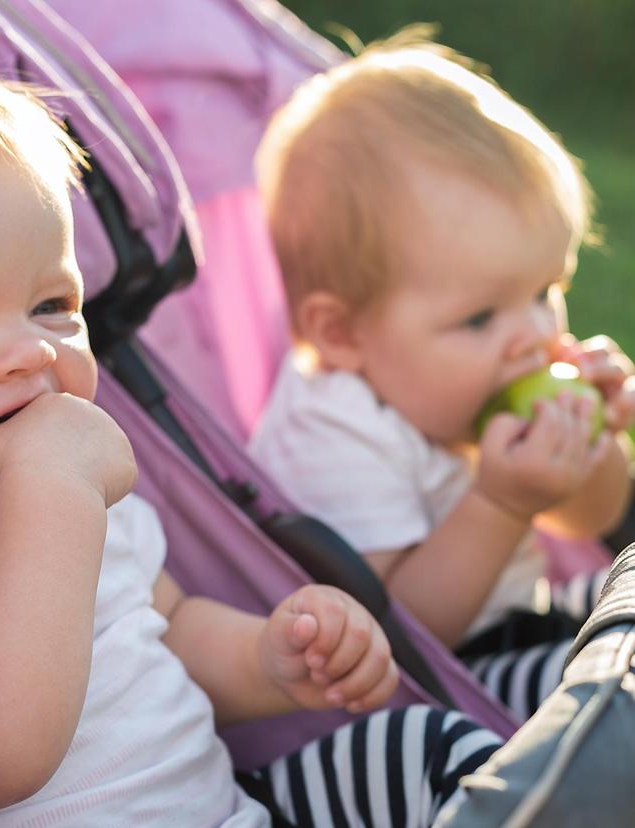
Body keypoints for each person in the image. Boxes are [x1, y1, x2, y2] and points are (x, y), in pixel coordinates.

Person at [0, 4, 502, 826]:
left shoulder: (58, 477)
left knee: (438, 755)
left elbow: (166, 628)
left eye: (51, 304)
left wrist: (268, 660)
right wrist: (54, 501)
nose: (30, 356)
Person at [249, 30, 635, 721]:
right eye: (481, 318)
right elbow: (407, 638)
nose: (537, 336)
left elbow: (597, 518)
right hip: (440, 695)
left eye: (545, 290)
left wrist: (590, 441)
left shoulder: (457, 387)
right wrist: (500, 505)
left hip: (525, 634)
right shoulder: (334, 431)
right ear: (342, 334)